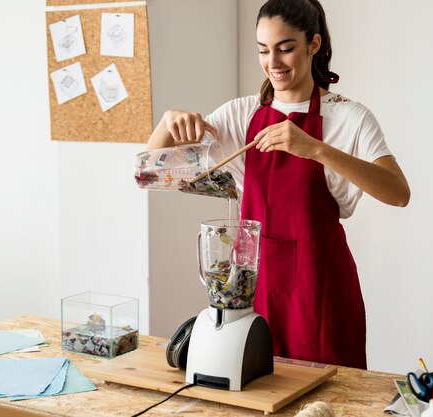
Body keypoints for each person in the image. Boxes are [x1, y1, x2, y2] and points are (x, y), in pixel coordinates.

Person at [147, 0, 410, 369]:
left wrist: (315, 148)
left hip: (321, 296)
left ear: (313, 44)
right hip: (252, 291)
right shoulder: (241, 115)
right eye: (263, 50)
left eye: (286, 48)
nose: (273, 62)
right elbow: (150, 174)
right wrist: (165, 125)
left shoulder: (348, 117)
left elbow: (398, 193)